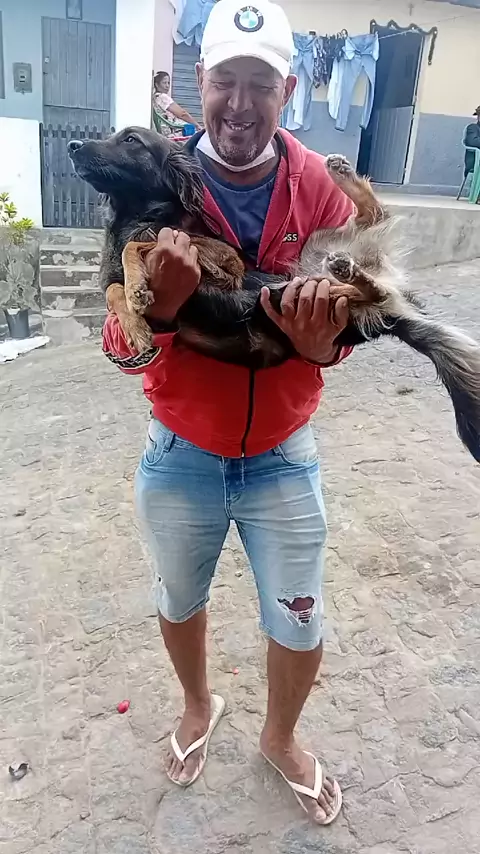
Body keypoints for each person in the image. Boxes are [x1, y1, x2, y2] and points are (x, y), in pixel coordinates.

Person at [104, 0, 356, 825]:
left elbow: (351, 317)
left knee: (300, 613)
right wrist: (161, 311)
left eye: (261, 85)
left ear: (288, 90)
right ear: (200, 81)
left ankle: (280, 737)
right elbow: (118, 342)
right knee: (180, 598)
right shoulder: (156, 177)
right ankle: (197, 705)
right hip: (180, 448)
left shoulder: (321, 189)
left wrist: (324, 348)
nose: (240, 105)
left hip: (284, 449)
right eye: (225, 83)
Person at [152, 71, 201, 135]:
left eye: (168, 83)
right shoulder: (163, 97)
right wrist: (197, 125)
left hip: (169, 130)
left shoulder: (155, 97)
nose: (167, 86)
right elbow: (182, 114)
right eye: (164, 83)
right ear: (157, 84)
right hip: (174, 131)